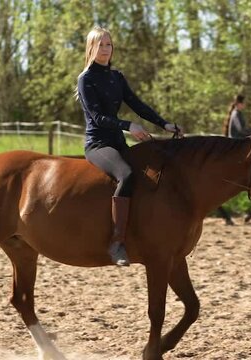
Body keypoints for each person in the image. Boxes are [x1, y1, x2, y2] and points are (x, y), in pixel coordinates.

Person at [76, 26, 180, 266]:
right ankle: (117, 242)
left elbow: (138, 104)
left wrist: (164, 124)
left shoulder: (116, 77)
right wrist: (128, 126)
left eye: (109, 44)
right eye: (100, 45)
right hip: (98, 144)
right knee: (127, 174)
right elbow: (98, 117)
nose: (105, 49)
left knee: (153, 173)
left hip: (118, 142)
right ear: (91, 48)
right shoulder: (86, 79)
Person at [218, 94, 251, 225]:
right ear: (238, 104)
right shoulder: (236, 114)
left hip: (240, 141)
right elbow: (241, 130)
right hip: (235, 143)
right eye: (243, 103)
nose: (244, 105)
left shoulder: (238, 114)